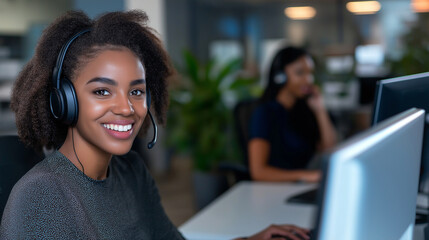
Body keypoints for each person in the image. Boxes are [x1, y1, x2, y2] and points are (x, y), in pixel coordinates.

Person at [0, 10, 310, 240]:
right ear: (64, 100)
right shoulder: (42, 195)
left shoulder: (130, 169)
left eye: (136, 91)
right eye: (102, 91)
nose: (126, 107)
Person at [248, 46, 336, 182]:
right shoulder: (265, 113)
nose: (308, 80)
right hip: (271, 190)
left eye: (310, 73)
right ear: (280, 77)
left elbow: (329, 150)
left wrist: (320, 110)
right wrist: (305, 176)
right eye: (300, 73)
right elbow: (258, 172)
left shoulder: (304, 110)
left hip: (300, 187)